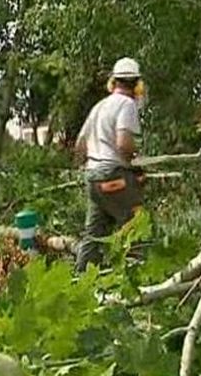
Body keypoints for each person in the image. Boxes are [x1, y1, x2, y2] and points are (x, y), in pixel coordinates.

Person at [73, 57, 147, 272]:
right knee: (137, 227)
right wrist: (135, 161)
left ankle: (80, 280)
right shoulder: (127, 105)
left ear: (113, 82)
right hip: (114, 177)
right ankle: (140, 280)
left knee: (94, 235)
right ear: (137, 85)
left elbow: (80, 145)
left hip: (94, 177)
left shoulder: (99, 107)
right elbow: (124, 144)